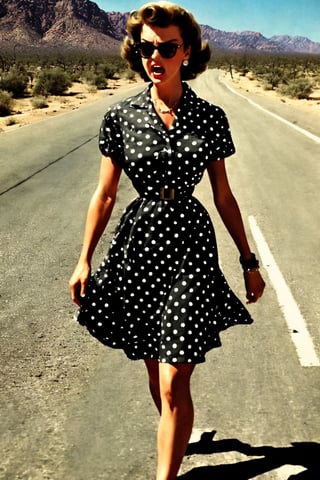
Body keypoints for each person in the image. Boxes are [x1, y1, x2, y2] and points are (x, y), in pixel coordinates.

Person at [69, 2, 266, 479]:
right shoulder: (121, 117)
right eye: (146, 47)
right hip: (138, 248)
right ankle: (175, 432)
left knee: (176, 378)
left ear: (188, 51)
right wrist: (84, 260)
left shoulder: (211, 117)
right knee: (157, 368)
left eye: (168, 47)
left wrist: (248, 259)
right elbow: (106, 193)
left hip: (190, 251)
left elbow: (223, 195)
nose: (155, 56)